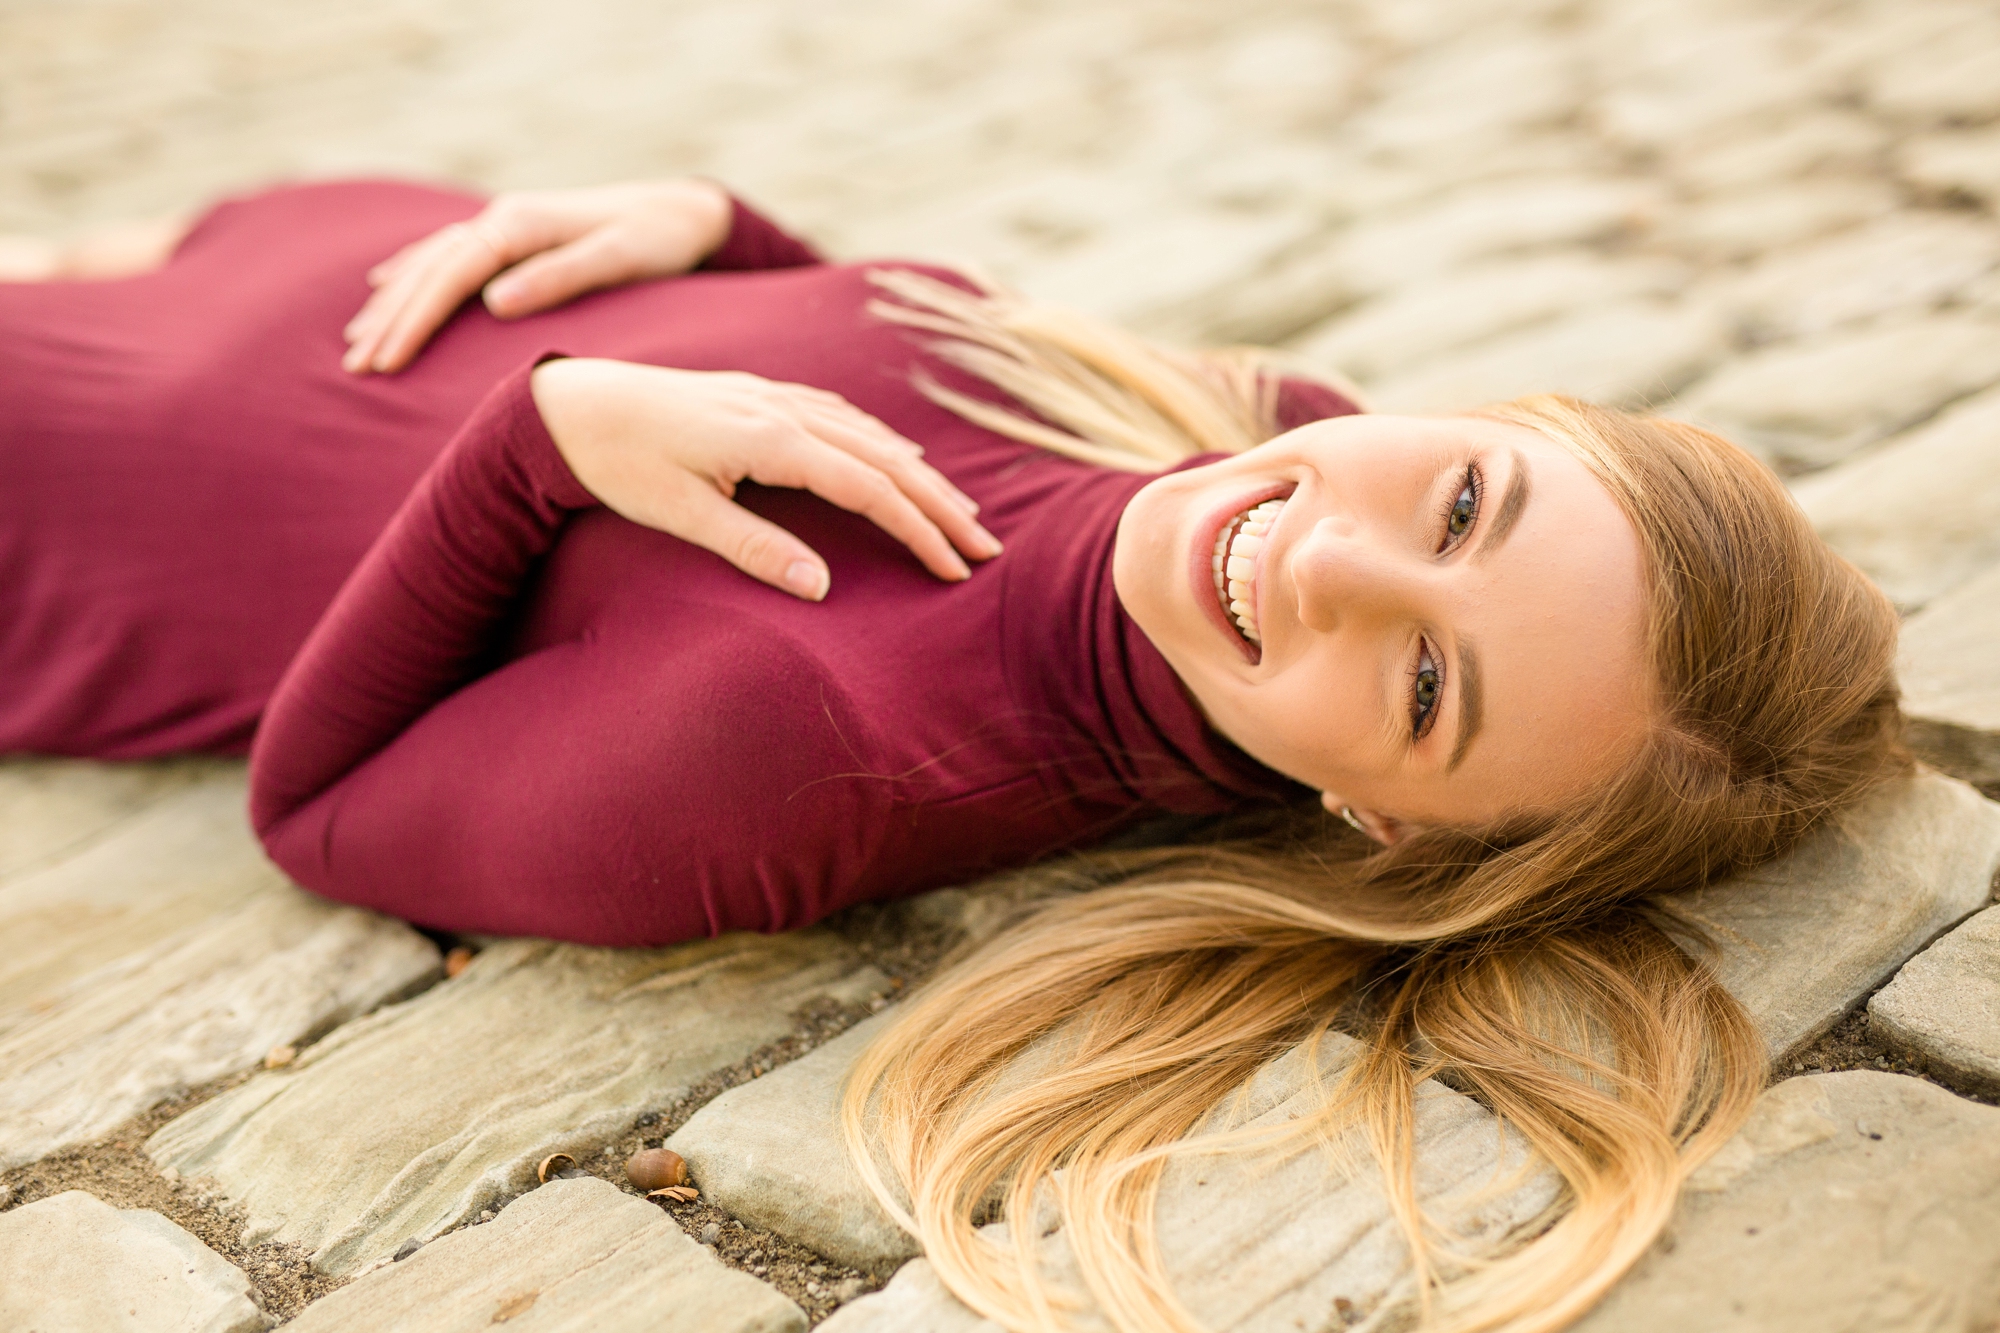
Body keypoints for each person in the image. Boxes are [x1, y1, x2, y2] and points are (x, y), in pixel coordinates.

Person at [1, 178, 1906, 1332]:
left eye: (1425, 686)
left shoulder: (793, 763)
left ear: (1388, 815)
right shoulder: (1263, 422)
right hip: (298, 254)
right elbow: (866, 376)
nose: (1328, 552)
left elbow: (319, 812)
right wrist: (715, 234)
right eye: (1471, 495)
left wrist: (541, 430)